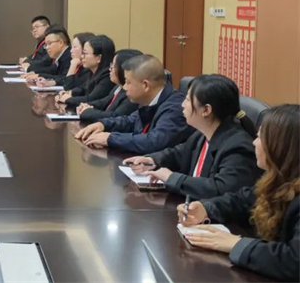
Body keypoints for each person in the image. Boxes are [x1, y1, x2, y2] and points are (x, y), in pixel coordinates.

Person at [178, 104, 299, 281]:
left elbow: (294, 261)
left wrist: (236, 244)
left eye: (260, 137)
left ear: (281, 147)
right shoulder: (277, 179)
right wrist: (206, 208)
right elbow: (242, 201)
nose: (254, 143)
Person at [123, 75, 260, 200]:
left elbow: (221, 189)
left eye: (188, 100)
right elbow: (181, 153)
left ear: (206, 110)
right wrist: (152, 160)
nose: (182, 105)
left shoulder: (237, 147)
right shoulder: (204, 132)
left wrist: (172, 178)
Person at [74, 54, 193, 153]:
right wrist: (103, 125)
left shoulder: (175, 107)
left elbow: (154, 142)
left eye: (128, 82)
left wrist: (110, 138)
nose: (124, 87)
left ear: (145, 85)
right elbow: (130, 121)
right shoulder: (149, 99)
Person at [76, 49, 142, 122]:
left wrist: (87, 111)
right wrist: (86, 105)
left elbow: (115, 116)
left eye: (113, 66)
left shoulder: (132, 94)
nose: (110, 69)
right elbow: (103, 102)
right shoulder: (118, 87)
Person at [57, 35, 116, 106]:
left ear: (99, 58)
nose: (82, 57)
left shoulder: (107, 76)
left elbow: (92, 98)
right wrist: (70, 92)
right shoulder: (92, 71)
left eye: (85, 53)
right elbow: (83, 89)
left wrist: (68, 99)